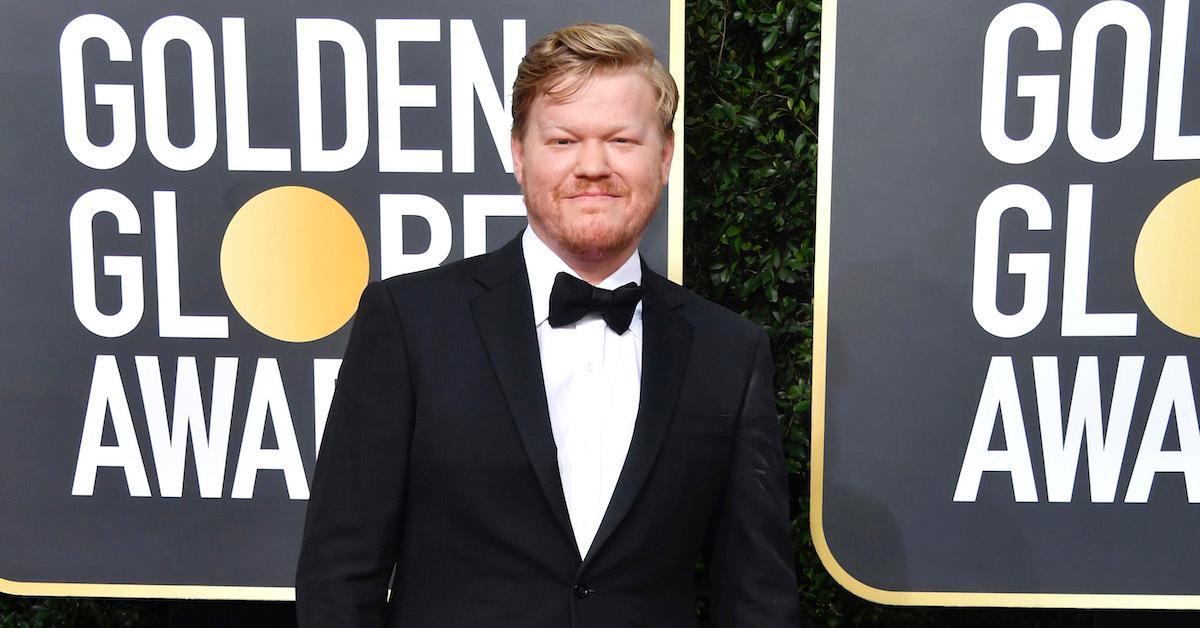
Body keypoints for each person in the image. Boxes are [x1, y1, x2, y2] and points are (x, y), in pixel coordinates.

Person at [295, 22, 799, 627]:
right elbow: (338, 575)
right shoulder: (409, 323)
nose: (592, 166)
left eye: (621, 140)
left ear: (663, 157)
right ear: (518, 153)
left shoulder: (730, 352)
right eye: (563, 141)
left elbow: (757, 597)